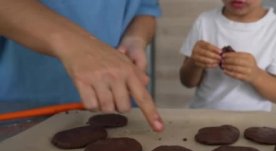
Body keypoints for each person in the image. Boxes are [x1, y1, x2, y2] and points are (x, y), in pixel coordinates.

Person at [0, 0, 164, 132]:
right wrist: (76, 45)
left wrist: (135, 39)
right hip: (21, 111)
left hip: (118, 106)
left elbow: (145, 8)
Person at [179, 0, 276, 111]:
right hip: (204, 113)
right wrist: (195, 62)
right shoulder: (204, 21)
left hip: (253, 121)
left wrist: (256, 75)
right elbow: (187, 82)